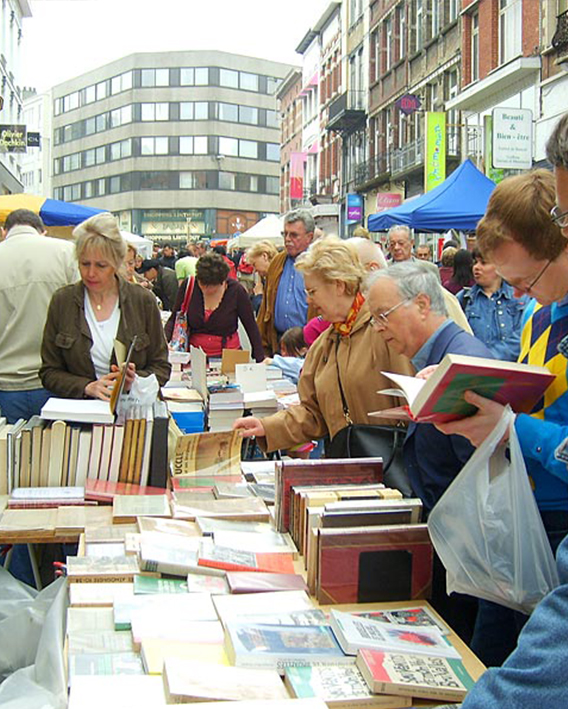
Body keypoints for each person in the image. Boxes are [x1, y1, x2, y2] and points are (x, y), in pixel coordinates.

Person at [430, 117, 568, 707]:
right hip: (525, 515)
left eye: (525, 277)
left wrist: (515, 428)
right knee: (495, 648)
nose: (518, 292)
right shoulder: (542, 317)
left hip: (553, 517)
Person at [366, 261, 493, 643]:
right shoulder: (435, 358)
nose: (377, 328)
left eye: (382, 316)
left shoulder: (462, 363)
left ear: (422, 304)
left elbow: (477, 467)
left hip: (467, 552)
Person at [233, 237, 413, 452]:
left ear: (338, 285)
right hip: (348, 467)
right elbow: (312, 414)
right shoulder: (325, 343)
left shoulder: (385, 331)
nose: (309, 300)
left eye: (312, 291)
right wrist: (266, 427)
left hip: (390, 467)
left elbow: (412, 406)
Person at [40, 212, 171, 400]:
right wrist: (87, 387)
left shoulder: (142, 301)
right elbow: (49, 372)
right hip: (77, 417)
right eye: (85, 264)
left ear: (117, 263)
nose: (91, 273)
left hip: (130, 416)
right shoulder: (63, 301)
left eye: (101, 265)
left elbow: (161, 367)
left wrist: (134, 381)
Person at [0, 209, 79, 423]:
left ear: (4, 231)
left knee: (9, 454)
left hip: (6, 384)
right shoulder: (66, 252)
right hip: (57, 380)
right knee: (59, 453)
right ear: (42, 231)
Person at [347, 237, 473, 335]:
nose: (344, 283)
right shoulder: (357, 311)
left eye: (348, 273)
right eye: (392, 244)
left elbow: (462, 348)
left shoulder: (425, 291)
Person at [165, 252, 264, 362]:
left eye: (211, 286)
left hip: (229, 356)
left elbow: (251, 326)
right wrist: (163, 343)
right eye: (202, 284)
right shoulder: (189, 286)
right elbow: (174, 318)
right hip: (194, 357)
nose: (206, 289)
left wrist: (260, 359)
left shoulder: (236, 291)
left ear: (222, 282)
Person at [257, 209, 318, 356]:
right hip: (278, 341)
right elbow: (266, 305)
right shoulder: (278, 262)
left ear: (309, 237)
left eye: (294, 235)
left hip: (307, 343)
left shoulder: (318, 264)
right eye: (285, 234)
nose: (287, 239)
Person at [457, 247, 528, 361]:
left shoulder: (519, 299)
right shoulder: (463, 299)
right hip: (474, 372)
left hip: (511, 373)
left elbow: (522, 337)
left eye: (483, 263)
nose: (476, 267)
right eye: (475, 262)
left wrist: (489, 357)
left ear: (499, 266)